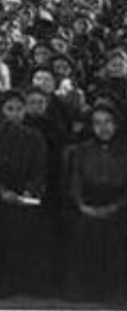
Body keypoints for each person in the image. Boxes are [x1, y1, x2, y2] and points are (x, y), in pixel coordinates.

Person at [0, 90, 51, 298]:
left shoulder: (34, 136)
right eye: (10, 109)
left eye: (19, 109)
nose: (15, 114)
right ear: (1, 110)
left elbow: (40, 169)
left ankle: (18, 281)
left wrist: (28, 190)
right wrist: (2, 191)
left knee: (21, 235)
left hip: (23, 194)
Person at [62, 102, 127, 303]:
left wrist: (115, 207)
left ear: (116, 124)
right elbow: (75, 181)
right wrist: (83, 205)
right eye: (97, 123)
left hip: (120, 208)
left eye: (108, 122)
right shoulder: (81, 150)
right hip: (87, 206)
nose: (103, 128)